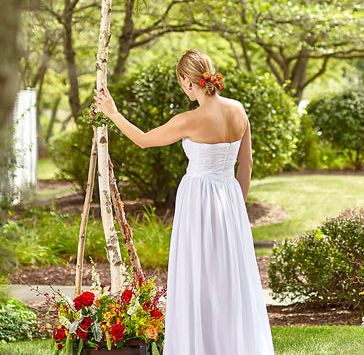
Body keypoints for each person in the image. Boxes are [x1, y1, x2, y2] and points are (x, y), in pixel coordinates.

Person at [94, 49, 275, 355]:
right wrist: (237, 206)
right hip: (230, 198)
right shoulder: (238, 111)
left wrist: (112, 113)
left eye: (181, 84)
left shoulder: (188, 120)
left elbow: (143, 139)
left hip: (198, 202)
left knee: (199, 277)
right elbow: (247, 164)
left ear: (188, 82)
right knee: (231, 279)